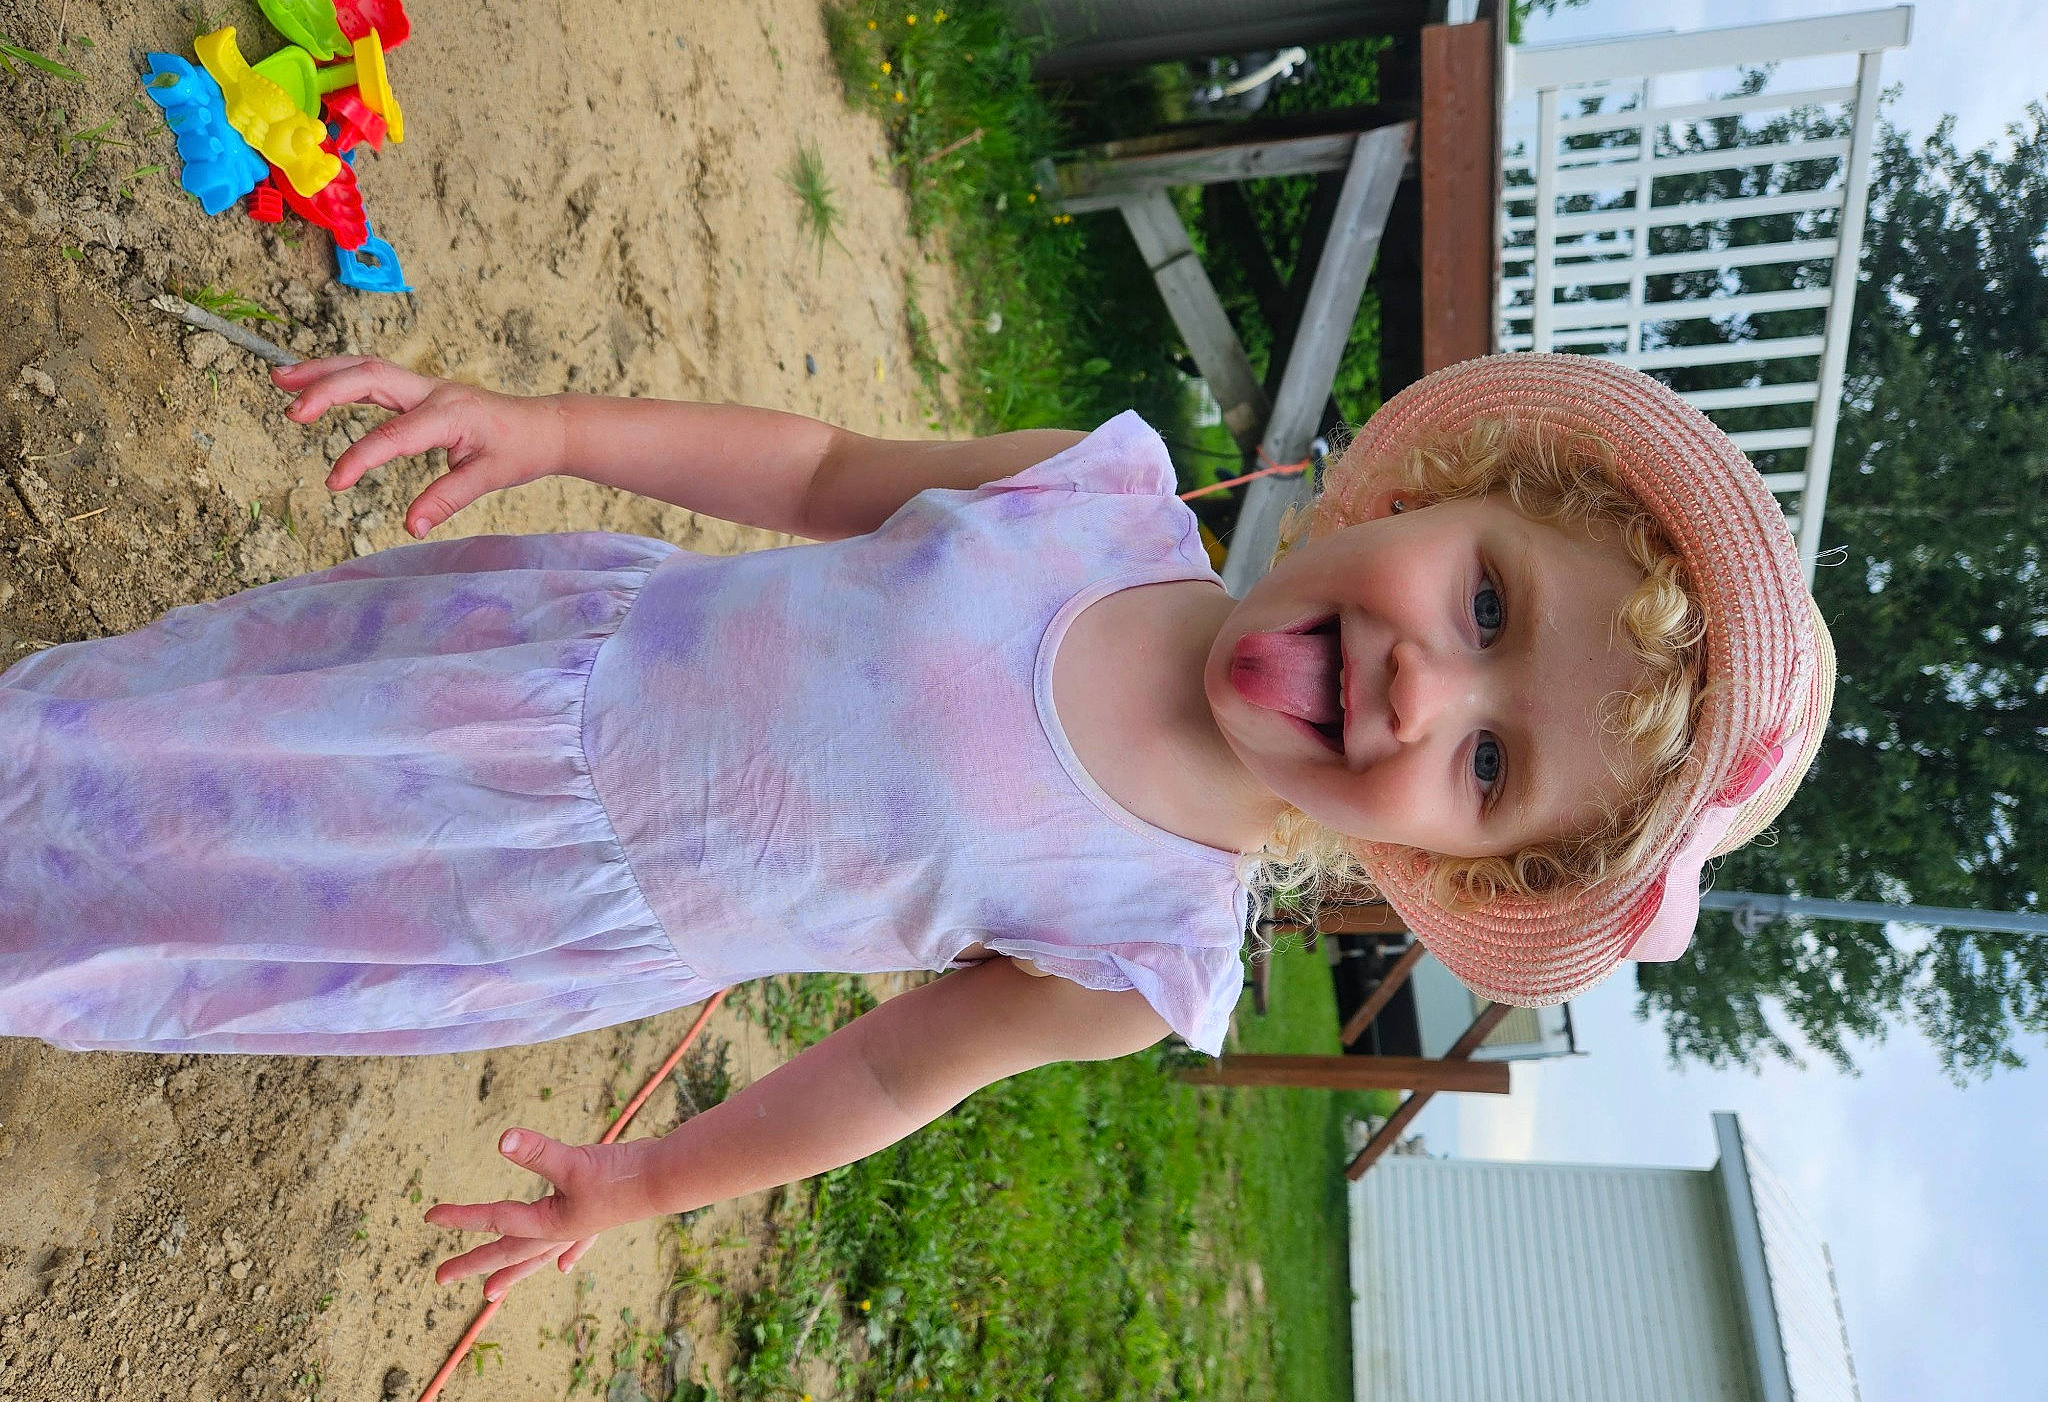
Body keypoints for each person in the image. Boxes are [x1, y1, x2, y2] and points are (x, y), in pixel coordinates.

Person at [0, 349, 1832, 1300]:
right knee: (174, 721)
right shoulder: (1099, 499)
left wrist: (645, 1185)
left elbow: (889, 1081)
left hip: (534, 887)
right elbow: (818, 471)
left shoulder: (1149, 940)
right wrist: (551, 424)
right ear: (1439, 490)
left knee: (185, 880)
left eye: (1490, 763)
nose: (1429, 687)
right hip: (540, 653)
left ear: (1438, 864)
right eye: (1493, 607)